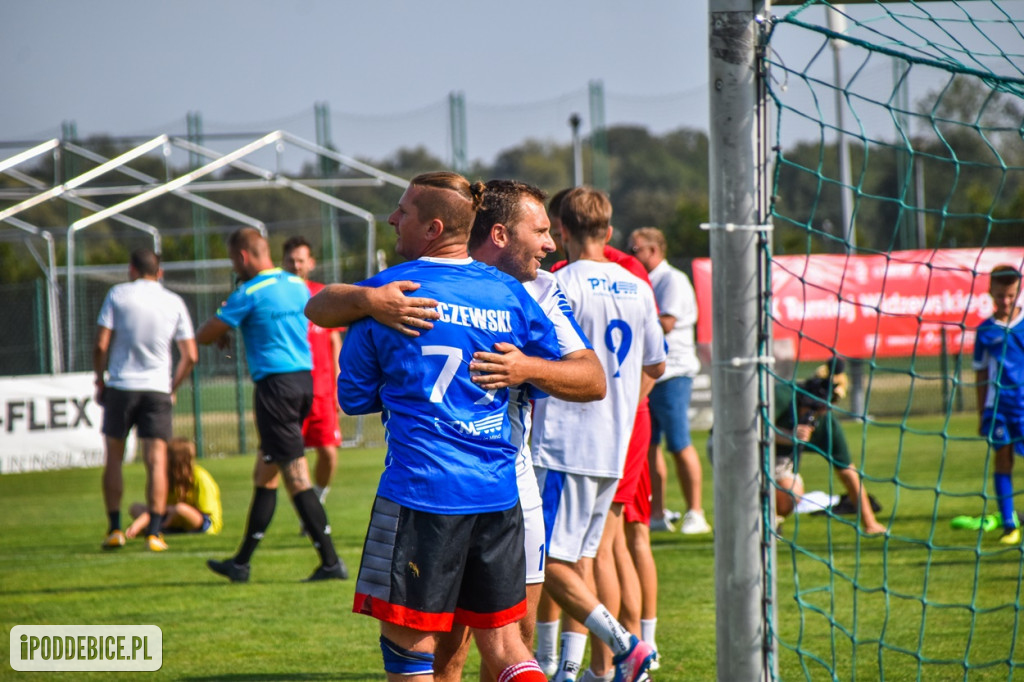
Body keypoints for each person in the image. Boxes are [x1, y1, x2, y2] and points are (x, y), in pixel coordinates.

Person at [327, 172, 561, 681]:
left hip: (421, 493)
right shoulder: (509, 293)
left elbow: (354, 398)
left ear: (433, 227)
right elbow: (573, 370)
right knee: (504, 646)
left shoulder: (390, 292)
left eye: (403, 212)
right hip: (499, 495)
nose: (392, 218)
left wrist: (370, 307)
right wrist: (525, 369)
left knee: (411, 650)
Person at [531, 186, 666, 682]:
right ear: (608, 233)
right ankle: (577, 671)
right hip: (614, 446)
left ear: (561, 230)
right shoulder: (637, 285)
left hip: (564, 443)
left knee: (544, 562)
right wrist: (625, 406)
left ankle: (623, 646)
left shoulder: (558, 284)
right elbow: (656, 362)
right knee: (583, 559)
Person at [196, 227, 346, 583]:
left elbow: (205, 334)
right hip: (304, 382)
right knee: (265, 475)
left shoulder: (248, 292)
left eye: (234, 259)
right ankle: (241, 563)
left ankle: (330, 562)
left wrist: (224, 330)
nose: (235, 265)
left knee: (295, 476)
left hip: (275, 388)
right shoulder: (297, 285)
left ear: (243, 257)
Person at [93, 247, 197, 553]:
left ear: (131, 269)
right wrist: (171, 386)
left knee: (114, 457)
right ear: (159, 272)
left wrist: (100, 379)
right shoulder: (173, 301)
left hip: (122, 385)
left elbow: (101, 344)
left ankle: (114, 529)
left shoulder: (118, 294)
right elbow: (190, 355)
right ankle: (154, 533)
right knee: (156, 461)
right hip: (156, 388)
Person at [628, 226, 710, 535]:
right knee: (649, 446)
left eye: (635, 249)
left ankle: (695, 512)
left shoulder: (672, 279)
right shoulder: (643, 279)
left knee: (679, 443)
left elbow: (667, 324)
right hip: (650, 371)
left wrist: (625, 322)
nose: (631, 254)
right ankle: (657, 512)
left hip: (673, 372)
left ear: (653, 250)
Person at [774, 359, 886, 535]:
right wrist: (788, 436)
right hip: (739, 450)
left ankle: (771, 519)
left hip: (777, 464)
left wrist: (869, 522)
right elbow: (751, 432)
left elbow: (849, 474)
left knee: (792, 491)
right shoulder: (781, 397)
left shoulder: (826, 425)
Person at [282, 236, 343, 510]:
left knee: (329, 453)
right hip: (289, 391)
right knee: (286, 459)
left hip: (322, 392)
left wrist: (340, 386)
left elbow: (334, 343)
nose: (296, 265)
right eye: (291, 260)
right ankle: (310, 514)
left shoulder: (323, 296)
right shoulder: (277, 296)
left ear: (311, 263)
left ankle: (316, 500)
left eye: (300, 260)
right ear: (282, 263)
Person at [973, 265, 1024, 545]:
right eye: (1000, 295)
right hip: (999, 410)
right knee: (1003, 460)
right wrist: (982, 414)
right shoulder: (985, 331)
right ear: (990, 291)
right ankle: (1008, 524)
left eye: (1011, 295)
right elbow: (980, 375)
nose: (1005, 301)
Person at [125, 437, 223, 538]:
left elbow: (206, 513)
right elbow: (158, 508)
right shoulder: (166, 478)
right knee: (135, 508)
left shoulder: (200, 478)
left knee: (180, 509)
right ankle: (157, 528)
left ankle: (157, 528)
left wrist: (171, 510)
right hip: (171, 515)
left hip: (202, 523)